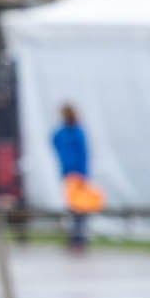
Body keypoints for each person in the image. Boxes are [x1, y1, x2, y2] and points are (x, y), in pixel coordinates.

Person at [52, 103, 94, 250]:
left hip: (77, 175)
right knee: (74, 206)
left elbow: (83, 154)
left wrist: (83, 175)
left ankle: (79, 236)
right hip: (70, 174)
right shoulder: (65, 132)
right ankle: (75, 236)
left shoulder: (76, 132)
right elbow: (54, 139)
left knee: (80, 207)